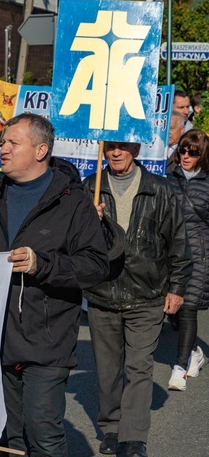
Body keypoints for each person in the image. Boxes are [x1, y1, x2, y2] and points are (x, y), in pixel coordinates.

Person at [0, 113, 109, 456]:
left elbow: (96, 265)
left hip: (46, 340)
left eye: (13, 143)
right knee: (6, 437)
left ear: (40, 150)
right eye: (3, 142)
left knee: (42, 433)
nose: (3, 149)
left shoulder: (72, 202)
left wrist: (42, 264)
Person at [83, 141, 191, 457]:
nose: (116, 153)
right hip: (103, 291)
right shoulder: (90, 187)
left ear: (137, 150)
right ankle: (113, 428)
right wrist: (89, 220)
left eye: (124, 147)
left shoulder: (160, 189)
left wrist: (178, 288)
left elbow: (179, 242)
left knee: (140, 367)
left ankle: (133, 438)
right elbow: (73, 239)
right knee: (107, 369)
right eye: (111, 147)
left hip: (147, 293)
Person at [166, 129, 209, 390]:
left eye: (192, 152)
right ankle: (195, 352)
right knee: (178, 310)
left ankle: (179, 368)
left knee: (189, 307)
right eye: (182, 150)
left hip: (202, 254)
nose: (186, 156)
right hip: (173, 254)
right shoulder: (167, 180)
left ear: (202, 155)